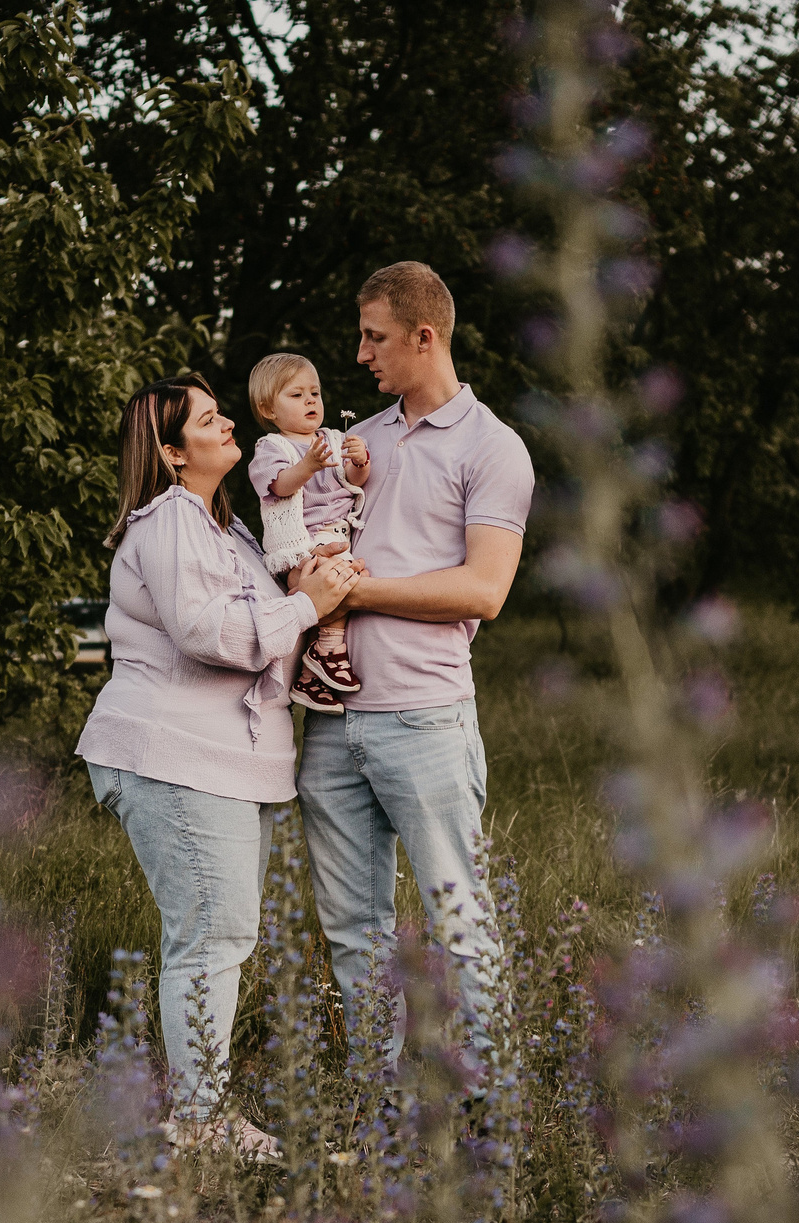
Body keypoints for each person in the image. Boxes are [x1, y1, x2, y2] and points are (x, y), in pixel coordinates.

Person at [75, 374, 361, 1154]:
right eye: (207, 419)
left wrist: (318, 592)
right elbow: (208, 632)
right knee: (210, 937)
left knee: (221, 935)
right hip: (173, 753)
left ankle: (205, 1109)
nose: (228, 420)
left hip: (221, 762)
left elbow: (266, 625)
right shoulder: (170, 519)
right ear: (172, 453)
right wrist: (308, 605)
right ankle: (200, 1122)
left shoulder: (227, 531)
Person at [299, 261, 534, 1057]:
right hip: (331, 722)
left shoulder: (492, 448)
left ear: (424, 336)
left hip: (424, 719)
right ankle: (376, 1104)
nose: (360, 354)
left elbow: (484, 590)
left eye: (375, 337)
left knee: (460, 921)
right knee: (353, 931)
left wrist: (353, 593)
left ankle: (495, 1100)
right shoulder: (355, 443)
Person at [246, 352, 371, 713]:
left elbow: (353, 480)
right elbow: (280, 485)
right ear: (268, 409)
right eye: (297, 395)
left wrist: (360, 461)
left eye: (314, 393)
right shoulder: (272, 447)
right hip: (300, 544)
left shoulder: (333, 437)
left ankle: (309, 680)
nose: (310, 401)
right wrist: (308, 465)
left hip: (336, 536)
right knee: (340, 582)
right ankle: (327, 651)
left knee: (353, 578)